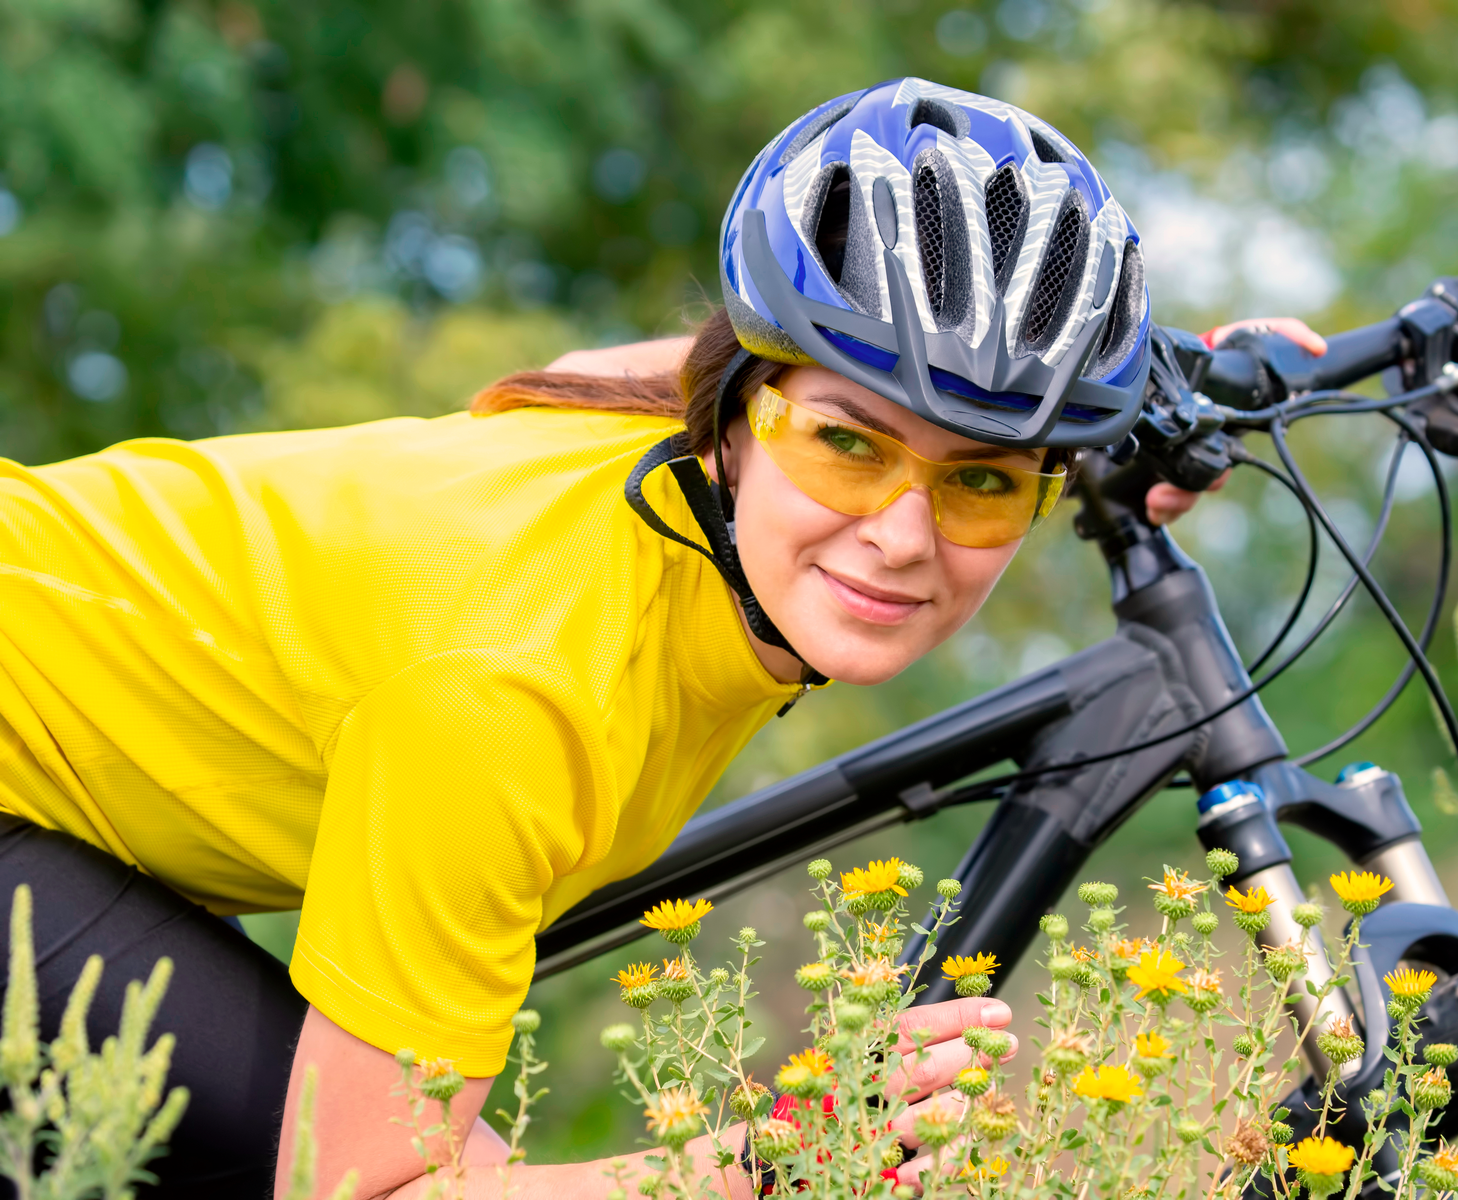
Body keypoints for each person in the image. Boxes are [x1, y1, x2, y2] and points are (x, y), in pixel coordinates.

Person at [0, 79, 1323, 1198]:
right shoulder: (515, 693)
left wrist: (1147, 389)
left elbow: (853, 370)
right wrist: (782, 1160)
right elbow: (366, 1189)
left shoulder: (684, 409)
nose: (904, 536)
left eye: (983, 480)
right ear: (741, 420)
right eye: (850, 447)